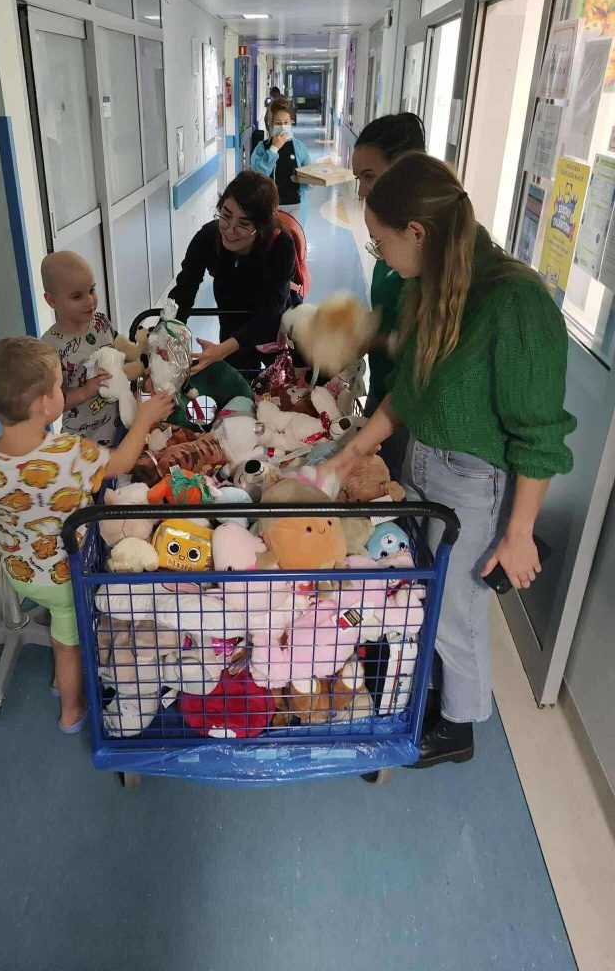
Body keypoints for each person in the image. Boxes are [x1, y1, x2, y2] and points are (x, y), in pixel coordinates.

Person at [323, 153, 576, 767]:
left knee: (453, 611)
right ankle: (432, 692)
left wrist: (518, 533)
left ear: (417, 232)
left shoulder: (515, 302)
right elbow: (409, 390)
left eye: (382, 242)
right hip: (424, 466)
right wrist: (352, 450)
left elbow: (539, 435)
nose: (381, 257)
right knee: (423, 595)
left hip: (473, 484)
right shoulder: (435, 287)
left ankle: (459, 728)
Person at [0, 338, 173, 733]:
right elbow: (123, 461)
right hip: (62, 576)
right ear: (44, 404)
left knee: (61, 629)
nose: (63, 392)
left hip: (18, 569)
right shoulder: (69, 453)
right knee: (68, 646)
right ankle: (71, 709)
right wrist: (144, 418)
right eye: (60, 387)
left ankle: (62, 680)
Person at [352, 112, 426, 478]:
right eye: (358, 179)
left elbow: (425, 352)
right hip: (384, 392)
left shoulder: (428, 263)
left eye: (369, 176)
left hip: (410, 412)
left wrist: (371, 339)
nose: (361, 192)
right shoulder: (390, 245)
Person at [169, 170, 296, 372]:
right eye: (226, 216)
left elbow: (271, 310)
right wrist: (165, 340)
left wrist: (222, 350)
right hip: (231, 324)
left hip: (273, 331)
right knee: (238, 385)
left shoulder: (281, 245)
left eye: (243, 224)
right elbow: (184, 292)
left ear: (261, 227)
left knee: (278, 384)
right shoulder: (208, 238)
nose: (229, 230)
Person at [41, 251, 119, 449]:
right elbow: (52, 404)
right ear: (52, 301)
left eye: (92, 290)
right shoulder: (49, 348)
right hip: (83, 443)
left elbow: (121, 351)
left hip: (122, 426)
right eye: (77, 296)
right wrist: (85, 391)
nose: (90, 301)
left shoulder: (100, 322)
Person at [251, 101, 311, 212]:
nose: (283, 126)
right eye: (278, 123)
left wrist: (314, 178)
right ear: (270, 124)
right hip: (268, 205)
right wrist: (274, 148)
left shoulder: (299, 147)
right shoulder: (262, 148)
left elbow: (308, 178)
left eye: (286, 122)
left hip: (295, 205)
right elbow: (258, 176)